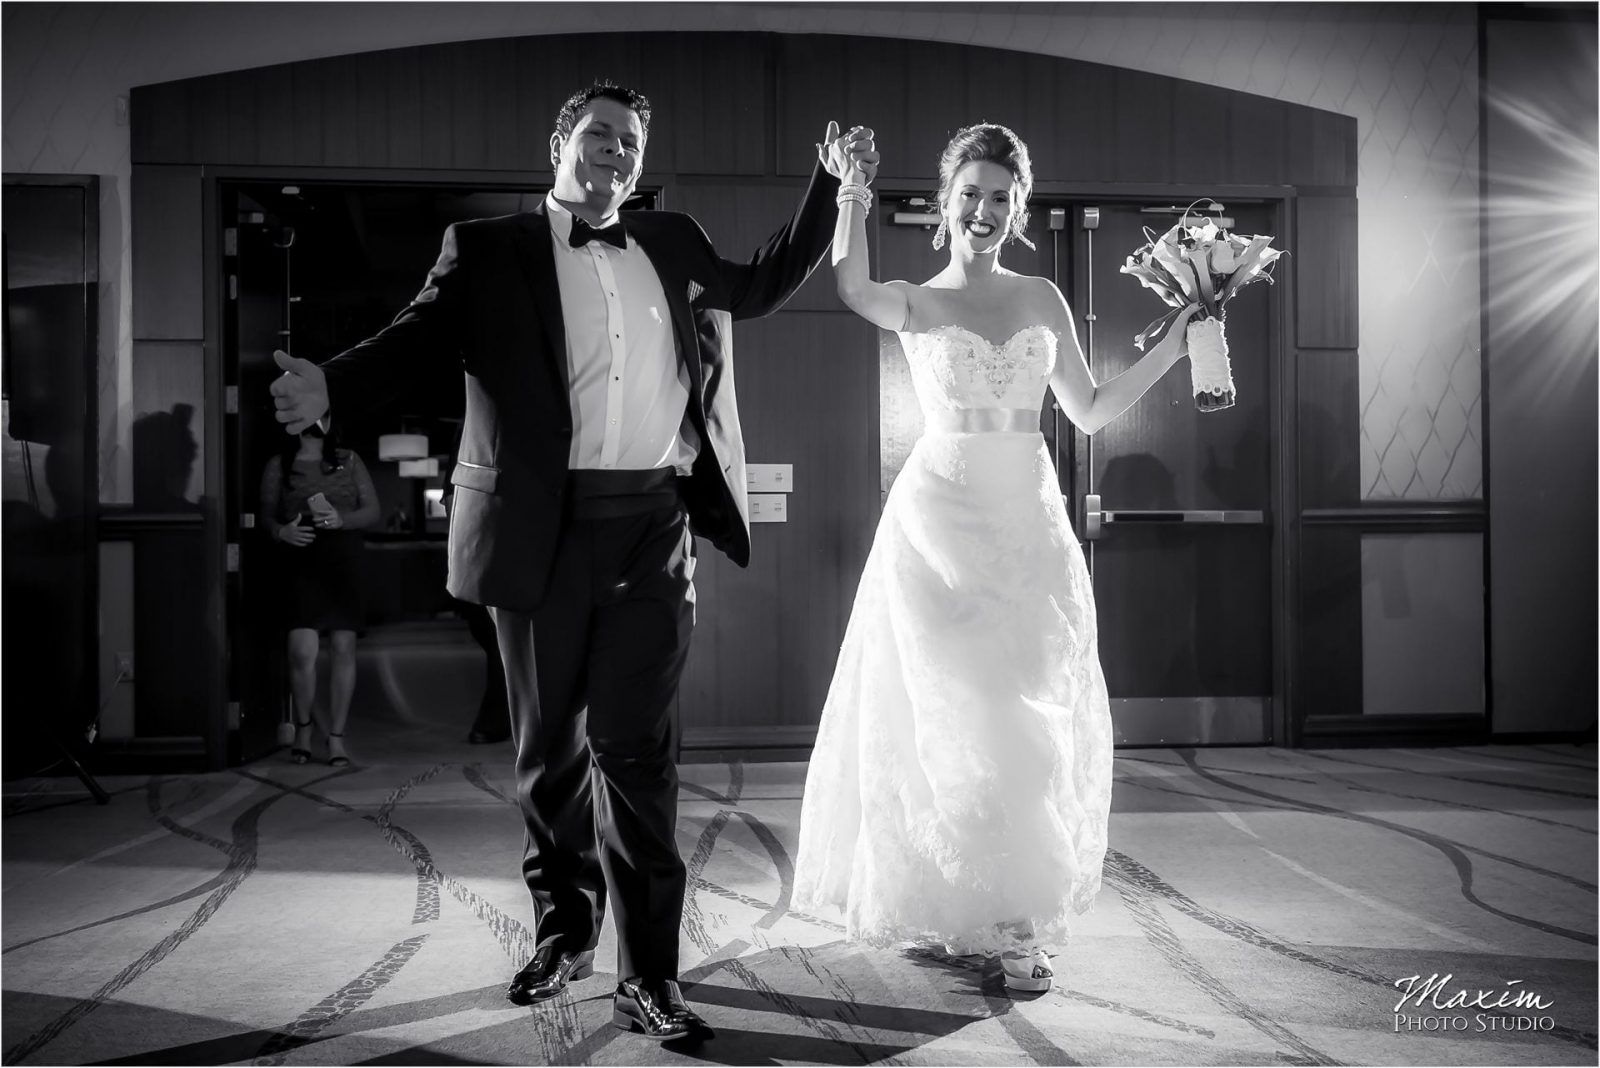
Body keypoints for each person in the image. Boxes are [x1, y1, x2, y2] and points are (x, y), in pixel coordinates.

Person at [270, 81, 878, 1041]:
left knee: (638, 751)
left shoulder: (671, 241)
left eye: (631, 139)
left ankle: (652, 972)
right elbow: (417, 339)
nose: (616, 151)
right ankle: (563, 933)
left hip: (651, 525)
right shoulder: (488, 248)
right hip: (538, 527)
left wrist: (829, 185)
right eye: (599, 133)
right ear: (558, 143)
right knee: (550, 749)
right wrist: (329, 386)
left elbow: (759, 284)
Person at [792, 123, 1198, 994]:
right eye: (969, 193)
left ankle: (1016, 920)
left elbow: (1087, 410)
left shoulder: (1043, 297)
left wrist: (1172, 343)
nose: (983, 209)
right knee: (948, 718)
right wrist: (851, 193)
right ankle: (963, 910)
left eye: (1000, 197)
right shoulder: (914, 298)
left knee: (1024, 718)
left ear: (1018, 210)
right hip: (937, 526)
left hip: (1026, 521)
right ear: (945, 203)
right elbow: (850, 285)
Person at [258, 423, 380, 767]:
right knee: (301, 650)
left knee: (344, 647)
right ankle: (304, 730)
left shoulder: (349, 459)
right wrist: (281, 530)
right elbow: (265, 514)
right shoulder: (279, 464)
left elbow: (373, 511)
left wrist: (342, 519)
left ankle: (337, 737)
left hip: (343, 555)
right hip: (301, 557)